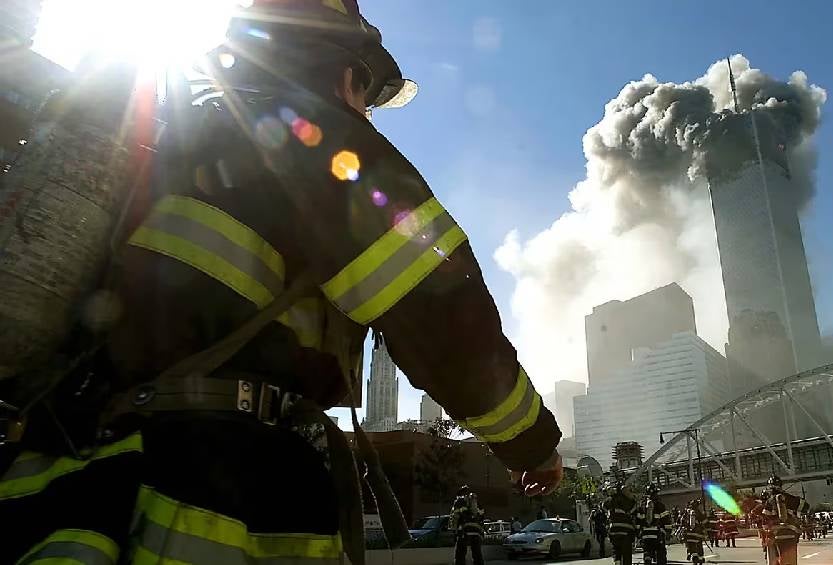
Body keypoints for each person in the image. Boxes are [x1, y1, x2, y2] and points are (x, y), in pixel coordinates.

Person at [0, 1, 566, 563]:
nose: (368, 114)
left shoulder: (177, 142)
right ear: (350, 72)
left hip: (70, 485)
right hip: (218, 486)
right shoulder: (319, 139)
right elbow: (441, 312)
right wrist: (532, 444)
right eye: (369, 99)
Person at [634, 483, 670, 565]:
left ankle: (647, 558)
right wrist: (668, 532)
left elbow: (638, 521)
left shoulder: (641, 506)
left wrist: (637, 533)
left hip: (645, 535)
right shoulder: (660, 506)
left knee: (647, 552)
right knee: (661, 555)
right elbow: (666, 520)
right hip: (657, 534)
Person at [604, 481, 637, 565]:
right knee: (626, 553)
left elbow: (603, 507)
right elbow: (634, 507)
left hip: (614, 530)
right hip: (626, 530)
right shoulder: (627, 501)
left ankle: (617, 562)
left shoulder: (610, 500)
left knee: (616, 549)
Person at [681, 498, 708, 564]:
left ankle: (693, 556)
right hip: (698, 534)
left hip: (688, 534)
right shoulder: (698, 512)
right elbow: (705, 522)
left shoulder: (686, 512)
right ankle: (700, 558)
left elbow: (682, 521)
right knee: (699, 545)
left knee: (691, 546)